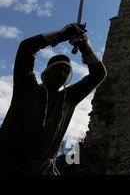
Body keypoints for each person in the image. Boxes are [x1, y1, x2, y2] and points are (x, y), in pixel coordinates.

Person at [0, 24, 107, 175]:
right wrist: (63, 34)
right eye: (58, 69)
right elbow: (26, 48)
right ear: (47, 72)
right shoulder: (26, 88)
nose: (63, 74)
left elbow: (99, 74)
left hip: (42, 171)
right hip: (5, 164)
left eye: (66, 72)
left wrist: (85, 45)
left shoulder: (69, 98)